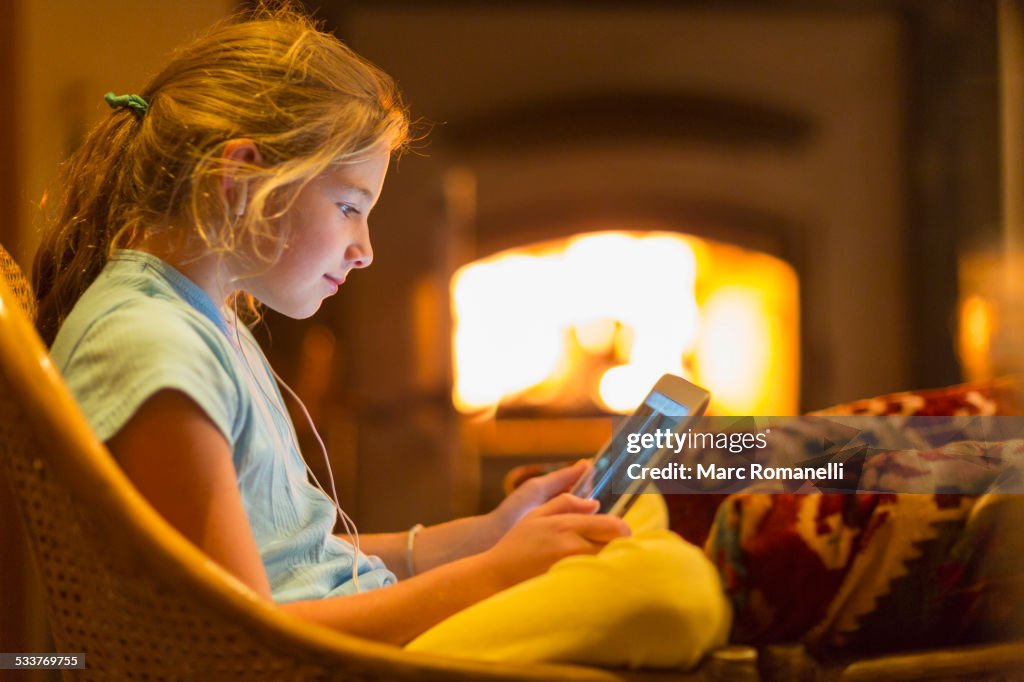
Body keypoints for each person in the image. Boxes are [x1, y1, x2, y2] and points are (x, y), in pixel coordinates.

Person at [32, 4, 729, 668]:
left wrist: (490, 536)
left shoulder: (199, 320)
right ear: (240, 178)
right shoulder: (152, 348)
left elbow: (296, 563)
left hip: (346, 632)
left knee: (642, 530)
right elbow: (234, 637)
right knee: (670, 588)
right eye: (347, 207)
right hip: (326, 665)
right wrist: (493, 577)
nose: (364, 249)